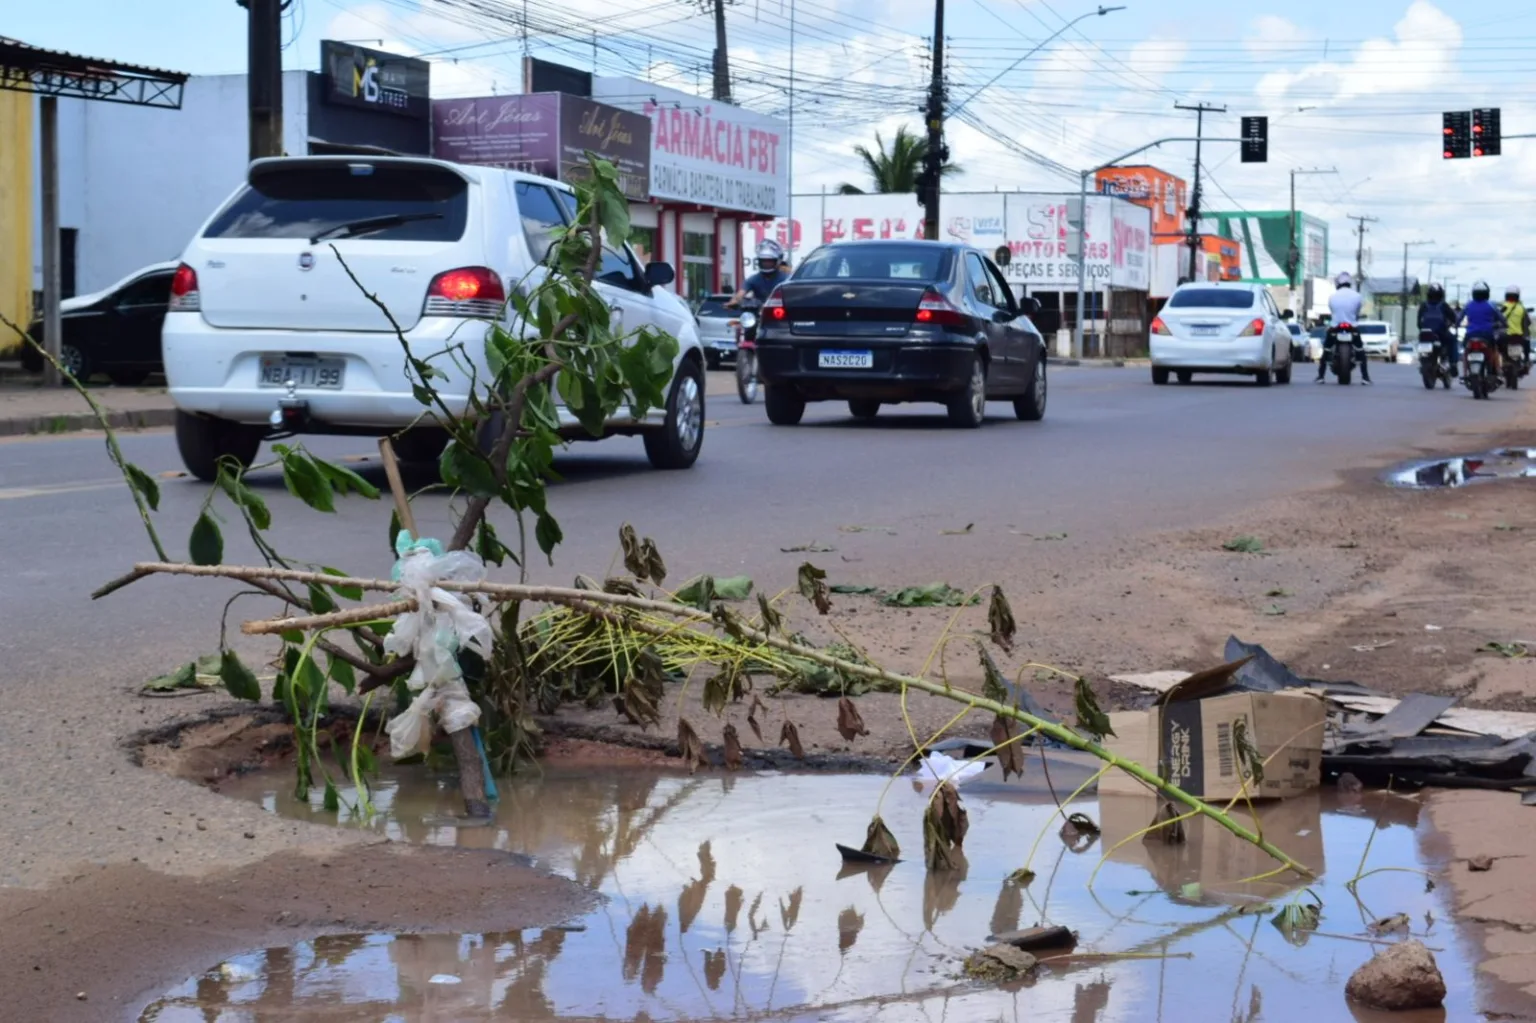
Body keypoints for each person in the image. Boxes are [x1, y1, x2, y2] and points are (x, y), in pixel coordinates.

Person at [1318, 271, 1370, 383]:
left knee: (1326, 350)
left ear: (1338, 284)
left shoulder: (1332, 297)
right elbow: (1357, 312)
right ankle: (1365, 377)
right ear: (1349, 283)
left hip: (1335, 327)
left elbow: (1333, 312)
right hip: (1352, 326)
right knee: (1360, 350)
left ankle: (1321, 376)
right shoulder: (1357, 296)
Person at [729, 240, 790, 307]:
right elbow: (741, 293)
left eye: (769, 261)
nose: (766, 264)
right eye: (763, 261)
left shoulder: (787, 280)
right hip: (758, 314)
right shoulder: (753, 279)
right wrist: (734, 301)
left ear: (778, 261)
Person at [1461, 280, 1503, 377]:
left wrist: (1456, 325)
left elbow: (1459, 318)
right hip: (1486, 334)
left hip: (1470, 334)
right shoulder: (1491, 305)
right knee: (1494, 350)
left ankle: (1464, 374)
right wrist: (1503, 324)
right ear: (1487, 294)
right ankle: (1498, 370)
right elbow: (1501, 318)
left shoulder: (1468, 305)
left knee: (1466, 352)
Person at [1418, 282, 1458, 371]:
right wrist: (1451, 324)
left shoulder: (1424, 305)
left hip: (1425, 333)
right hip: (1440, 332)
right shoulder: (1443, 305)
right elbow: (1453, 317)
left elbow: (1418, 322)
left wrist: (1422, 329)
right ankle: (1453, 363)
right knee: (1453, 340)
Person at [1501, 285, 1531, 368]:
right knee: (1527, 343)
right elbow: (1528, 323)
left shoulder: (1503, 307)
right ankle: (1526, 360)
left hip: (1505, 336)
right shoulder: (1521, 308)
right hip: (1518, 336)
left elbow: (1496, 320)